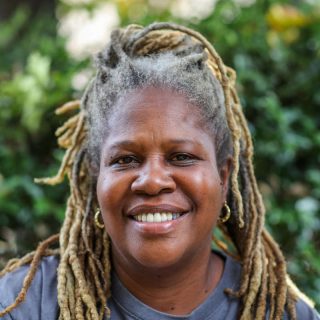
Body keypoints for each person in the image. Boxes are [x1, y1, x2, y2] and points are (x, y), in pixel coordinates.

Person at [0, 22, 319, 320]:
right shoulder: (24, 303)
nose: (152, 181)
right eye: (125, 160)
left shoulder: (280, 312)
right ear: (97, 178)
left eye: (181, 156)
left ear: (223, 178)